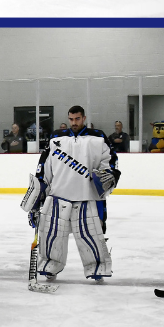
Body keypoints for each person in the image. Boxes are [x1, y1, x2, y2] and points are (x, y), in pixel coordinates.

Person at [21, 105, 119, 281]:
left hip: (87, 195)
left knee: (91, 235)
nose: (74, 122)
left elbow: (110, 161)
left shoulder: (98, 137)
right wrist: (38, 195)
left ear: (84, 118)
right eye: (71, 119)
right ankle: (50, 265)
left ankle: (97, 266)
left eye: (77, 119)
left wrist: (109, 175)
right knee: (53, 234)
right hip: (59, 194)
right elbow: (44, 166)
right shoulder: (56, 138)